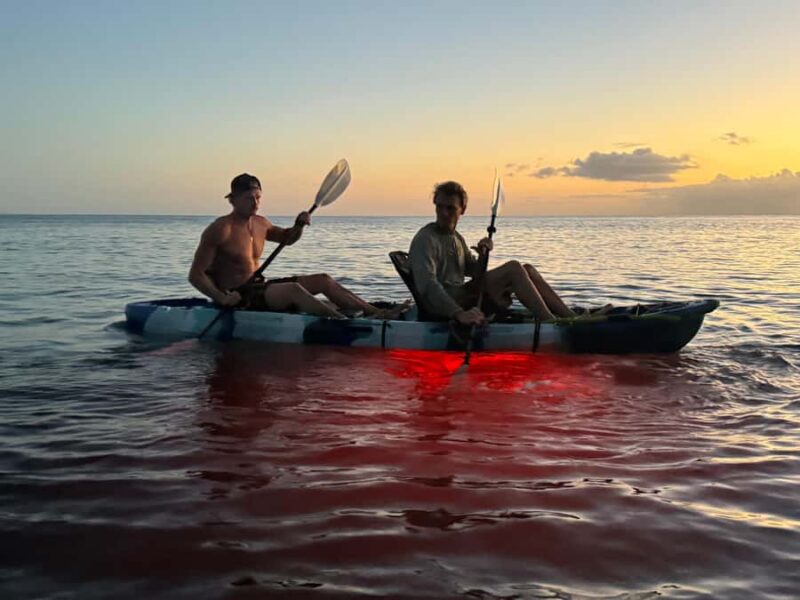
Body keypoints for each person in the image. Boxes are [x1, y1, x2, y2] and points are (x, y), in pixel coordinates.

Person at [189, 173, 406, 319]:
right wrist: (222, 298)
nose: (255, 203)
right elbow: (196, 275)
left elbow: (288, 239)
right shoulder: (220, 229)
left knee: (323, 280)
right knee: (294, 290)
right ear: (233, 199)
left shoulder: (261, 223)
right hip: (239, 297)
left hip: (258, 288)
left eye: (258, 197)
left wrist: (299, 225)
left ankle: (375, 313)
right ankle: (343, 322)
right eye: (248, 198)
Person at [408, 180, 578, 326]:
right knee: (513, 268)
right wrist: (459, 313)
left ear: (463, 210)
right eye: (440, 206)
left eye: (450, 208)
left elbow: (475, 272)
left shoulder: (456, 238)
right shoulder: (425, 239)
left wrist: (483, 255)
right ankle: (551, 322)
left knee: (528, 269)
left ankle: (570, 316)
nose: (444, 213)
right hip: (448, 305)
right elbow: (428, 286)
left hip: (465, 296)